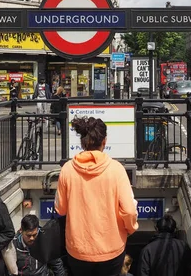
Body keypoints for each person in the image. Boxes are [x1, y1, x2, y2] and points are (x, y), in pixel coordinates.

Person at [55, 117, 139, 276]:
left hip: (78, 249)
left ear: (83, 142)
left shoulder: (67, 170)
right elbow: (129, 210)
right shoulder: (116, 170)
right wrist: (130, 228)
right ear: (104, 141)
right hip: (111, 249)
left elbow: (61, 209)